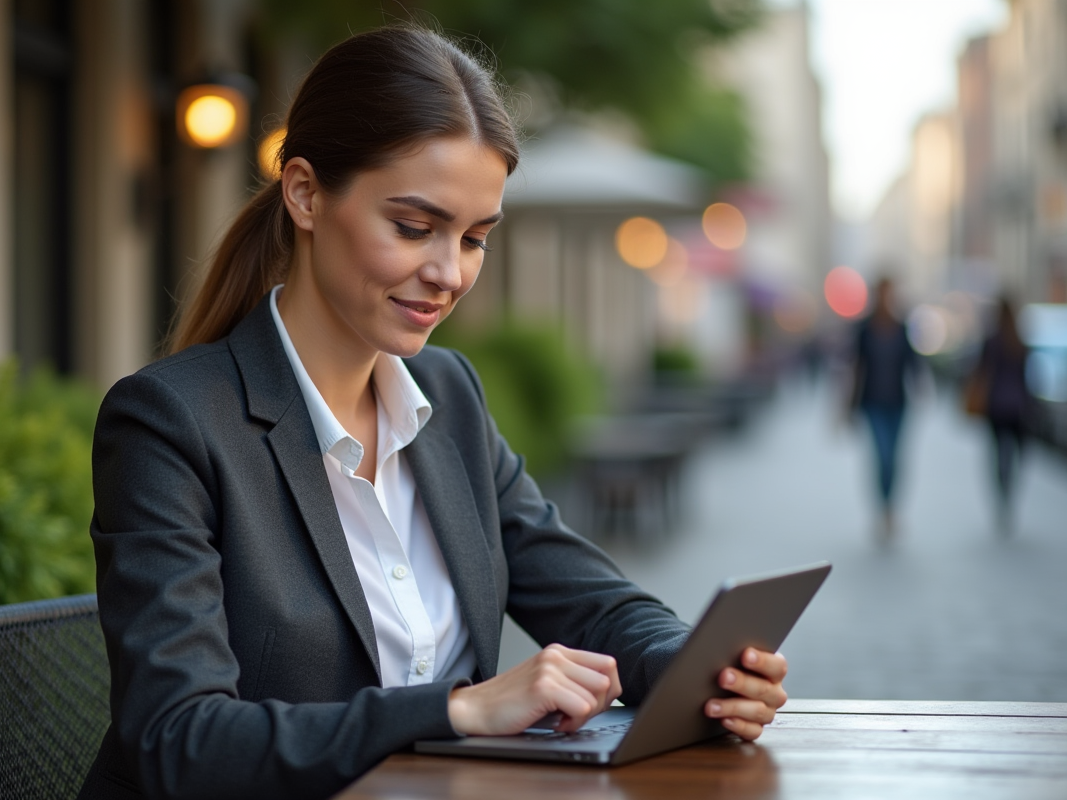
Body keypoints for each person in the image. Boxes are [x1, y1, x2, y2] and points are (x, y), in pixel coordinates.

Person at [78, 26, 789, 800]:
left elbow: (589, 595)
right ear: (306, 193)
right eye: (414, 228)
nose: (449, 274)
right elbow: (179, 741)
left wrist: (699, 668)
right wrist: (456, 711)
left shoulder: (447, 396)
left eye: (475, 238)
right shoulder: (169, 423)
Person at [850, 277, 919, 540]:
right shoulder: (865, 329)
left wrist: (921, 387)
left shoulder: (901, 327)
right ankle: (883, 508)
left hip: (898, 404)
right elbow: (857, 368)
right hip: (872, 403)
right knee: (883, 456)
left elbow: (912, 362)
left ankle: (890, 508)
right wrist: (847, 405)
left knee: (895, 459)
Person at [969, 297, 1031, 532]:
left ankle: (1002, 493)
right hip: (1016, 408)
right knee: (1014, 455)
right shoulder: (1020, 341)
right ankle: (1008, 490)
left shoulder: (992, 341)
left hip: (996, 406)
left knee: (998, 455)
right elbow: (1026, 379)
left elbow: (981, 372)